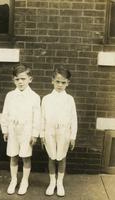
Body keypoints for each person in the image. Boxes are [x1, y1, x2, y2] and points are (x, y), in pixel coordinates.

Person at [1, 64, 41, 195]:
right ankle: (13, 180)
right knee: (13, 155)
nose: (20, 82)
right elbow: (5, 113)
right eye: (17, 79)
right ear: (13, 80)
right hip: (13, 130)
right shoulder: (10, 95)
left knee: (25, 156)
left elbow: (37, 117)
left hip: (27, 131)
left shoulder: (35, 97)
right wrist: (5, 129)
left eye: (23, 79)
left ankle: (24, 180)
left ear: (30, 79)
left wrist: (34, 134)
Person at [40, 66, 77, 197]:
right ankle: (52, 182)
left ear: (68, 83)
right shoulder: (46, 99)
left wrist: (73, 136)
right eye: (57, 82)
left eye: (63, 82)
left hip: (63, 132)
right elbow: (42, 117)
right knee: (51, 157)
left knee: (61, 157)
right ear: (52, 81)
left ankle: (60, 182)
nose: (60, 85)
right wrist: (42, 134)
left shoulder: (69, 99)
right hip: (49, 132)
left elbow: (73, 118)